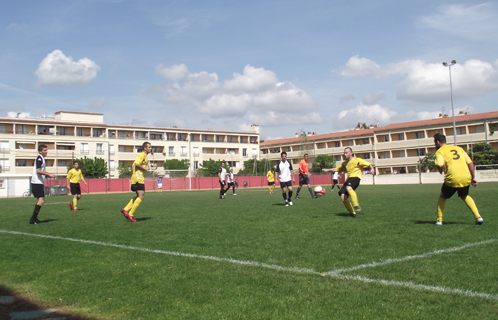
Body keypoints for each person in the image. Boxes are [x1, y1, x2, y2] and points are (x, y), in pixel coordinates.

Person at [434, 133, 483, 226]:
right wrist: (473, 178)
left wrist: (440, 169)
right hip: (465, 177)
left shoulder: (440, 151)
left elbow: (440, 164)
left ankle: (439, 220)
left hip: (452, 178)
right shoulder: (459, 148)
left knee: (443, 196)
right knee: (464, 195)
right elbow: (470, 163)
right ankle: (478, 217)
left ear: (437, 142)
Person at [322, 147, 374, 217]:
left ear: (351, 153)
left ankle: (356, 205)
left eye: (346, 153)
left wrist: (372, 169)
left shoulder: (357, 160)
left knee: (348, 187)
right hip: (348, 180)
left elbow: (368, 164)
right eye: (344, 153)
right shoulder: (345, 163)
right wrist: (327, 170)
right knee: (343, 196)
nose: (345, 154)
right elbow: (337, 169)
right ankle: (352, 213)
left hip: (355, 178)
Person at [121, 141, 152, 223]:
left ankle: (126, 209)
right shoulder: (141, 155)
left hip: (137, 178)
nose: (151, 148)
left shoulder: (145, 156)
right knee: (141, 197)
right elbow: (136, 164)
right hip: (138, 179)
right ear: (145, 148)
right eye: (149, 147)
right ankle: (130, 214)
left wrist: (134, 175)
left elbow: (133, 165)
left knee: (139, 196)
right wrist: (144, 169)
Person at [29, 144, 55, 224]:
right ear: (40, 151)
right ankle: (33, 218)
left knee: (40, 200)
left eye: (46, 150)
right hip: (36, 182)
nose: (46, 152)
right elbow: (38, 171)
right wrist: (48, 175)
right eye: (45, 150)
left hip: (39, 182)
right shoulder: (39, 158)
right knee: (41, 200)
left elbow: (41, 170)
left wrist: (49, 173)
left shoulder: (42, 158)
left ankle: (34, 219)